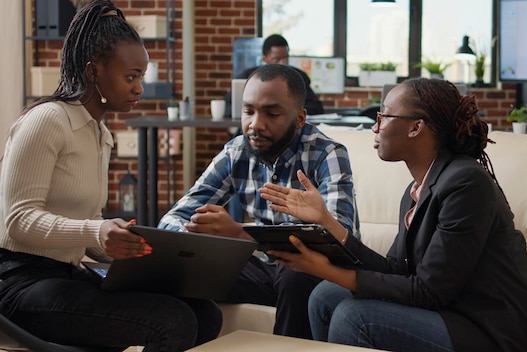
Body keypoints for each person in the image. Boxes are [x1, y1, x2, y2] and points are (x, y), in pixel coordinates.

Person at [258, 78, 527, 351]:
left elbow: (429, 291)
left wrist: (326, 269)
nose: (375, 127)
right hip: (453, 313)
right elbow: (397, 270)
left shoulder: (467, 183)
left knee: (356, 317)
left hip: (496, 329)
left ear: (416, 127)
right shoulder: (416, 190)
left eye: (384, 116)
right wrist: (326, 221)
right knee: (326, 296)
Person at [0, 1, 222, 351]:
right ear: (93, 72)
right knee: (172, 322)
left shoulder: (100, 134)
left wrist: (130, 250)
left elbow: (84, 228)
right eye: (130, 77)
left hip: (66, 273)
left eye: (140, 77)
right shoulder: (46, 121)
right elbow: (19, 220)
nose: (139, 89)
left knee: (206, 313)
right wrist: (97, 230)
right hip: (19, 281)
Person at [158, 63, 357, 339]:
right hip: (264, 269)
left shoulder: (327, 155)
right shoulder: (236, 152)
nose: (256, 124)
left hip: (316, 273)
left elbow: (339, 241)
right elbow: (172, 218)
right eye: (248, 111)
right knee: (187, 263)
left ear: (300, 118)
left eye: (272, 114)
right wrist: (195, 239)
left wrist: (242, 235)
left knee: (295, 274)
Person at [223, 34, 325, 117]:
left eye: (285, 58)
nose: (282, 63)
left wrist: (286, 110)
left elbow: (316, 107)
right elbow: (227, 107)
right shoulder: (248, 76)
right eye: (277, 59)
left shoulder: (299, 76)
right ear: (264, 59)